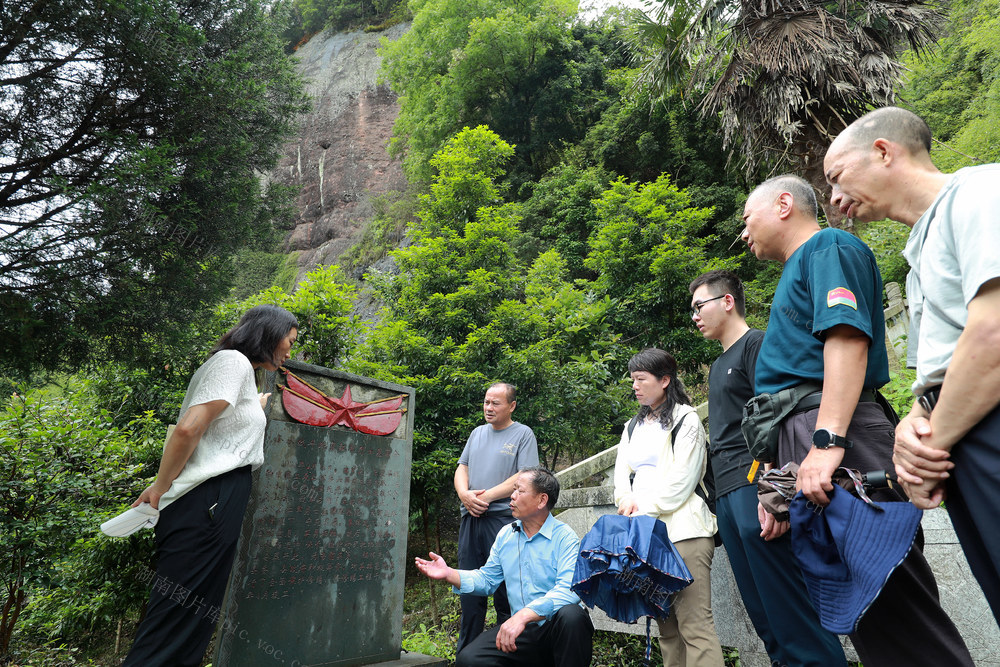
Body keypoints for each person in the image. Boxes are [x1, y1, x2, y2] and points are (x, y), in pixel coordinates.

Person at [740, 174, 973, 666]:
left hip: (831, 430)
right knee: (861, 607)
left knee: (890, 593)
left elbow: (846, 339)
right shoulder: (802, 266)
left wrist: (825, 441)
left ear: (785, 204)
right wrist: (778, 486)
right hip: (807, 436)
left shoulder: (827, 246)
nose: (744, 233)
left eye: (746, 218)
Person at [825, 106, 1000, 623]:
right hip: (962, 437)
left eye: (837, 177)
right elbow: (937, 369)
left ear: (883, 151)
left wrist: (931, 444)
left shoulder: (978, 192)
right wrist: (913, 424)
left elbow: (990, 335)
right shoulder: (919, 246)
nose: (835, 198)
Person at [123, 305, 298, 667]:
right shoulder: (232, 362)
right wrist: (159, 487)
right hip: (210, 497)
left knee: (191, 615)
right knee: (175, 617)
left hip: (216, 498)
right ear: (268, 333)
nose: (290, 351)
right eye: (289, 341)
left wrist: (255, 404)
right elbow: (189, 428)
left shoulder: (240, 372)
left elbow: (223, 424)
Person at [689, 270, 846, 667]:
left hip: (753, 486)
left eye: (699, 306)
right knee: (762, 614)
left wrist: (774, 493)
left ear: (726, 301)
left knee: (787, 606)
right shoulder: (718, 363)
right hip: (726, 493)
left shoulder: (757, 345)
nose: (694, 316)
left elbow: (774, 418)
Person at [612, 348, 723, 667]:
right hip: (648, 539)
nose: (634, 386)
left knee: (696, 628)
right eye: (633, 379)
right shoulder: (632, 426)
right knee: (667, 631)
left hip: (685, 533)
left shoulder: (686, 419)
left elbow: (682, 482)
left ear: (664, 380)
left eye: (641, 379)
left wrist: (640, 507)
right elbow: (622, 476)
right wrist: (625, 500)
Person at [416, 467, 593, 666]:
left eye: (520, 491)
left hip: (556, 628)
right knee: (469, 659)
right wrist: (449, 573)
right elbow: (487, 579)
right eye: (513, 489)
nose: (512, 495)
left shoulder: (565, 536)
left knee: (572, 615)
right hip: (523, 632)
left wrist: (524, 616)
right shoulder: (505, 535)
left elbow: (569, 591)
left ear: (542, 500)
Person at [453, 382, 539, 652]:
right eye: (486, 402)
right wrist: (465, 494)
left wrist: (486, 496)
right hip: (471, 519)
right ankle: (466, 655)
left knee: (506, 593)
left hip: (504, 522)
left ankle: (509, 654)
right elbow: (461, 467)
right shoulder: (477, 433)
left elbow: (525, 476)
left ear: (511, 406)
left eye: (496, 403)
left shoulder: (523, 434)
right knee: (469, 590)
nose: (488, 408)